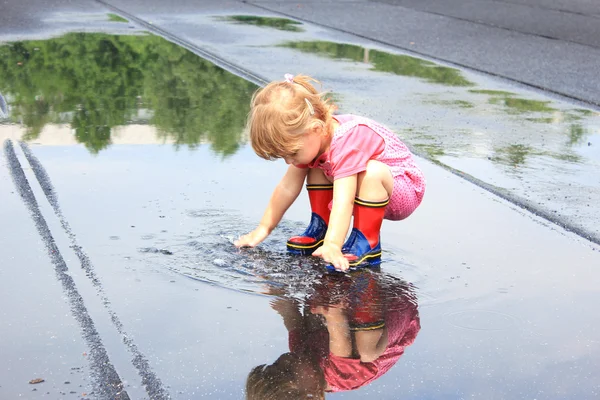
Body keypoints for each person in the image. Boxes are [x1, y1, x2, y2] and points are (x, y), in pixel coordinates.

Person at [234, 74, 425, 271]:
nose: (288, 161)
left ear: (316, 128)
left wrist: (334, 246)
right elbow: (286, 187)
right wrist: (263, 228)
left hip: (402, 189)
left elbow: (344, 200)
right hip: (366, 188)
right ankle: (321, 230)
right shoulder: (312, 139)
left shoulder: (347, 141)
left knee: (371, 172)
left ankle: (367, 241)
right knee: (314, 163)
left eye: (291, 153)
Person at [245, 271, 421, 398]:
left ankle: (329, 275)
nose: (286, 360)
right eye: (288, 371)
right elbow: (340, 340)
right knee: (367, 352)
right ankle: (362, 283)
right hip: (396, 309)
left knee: (312, 318)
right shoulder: (341, 378)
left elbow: (291, 317)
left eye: (276, 363)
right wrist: (333, 314)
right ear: (311, 395)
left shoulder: (299, 355)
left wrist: (272, 286)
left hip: (357, 307)